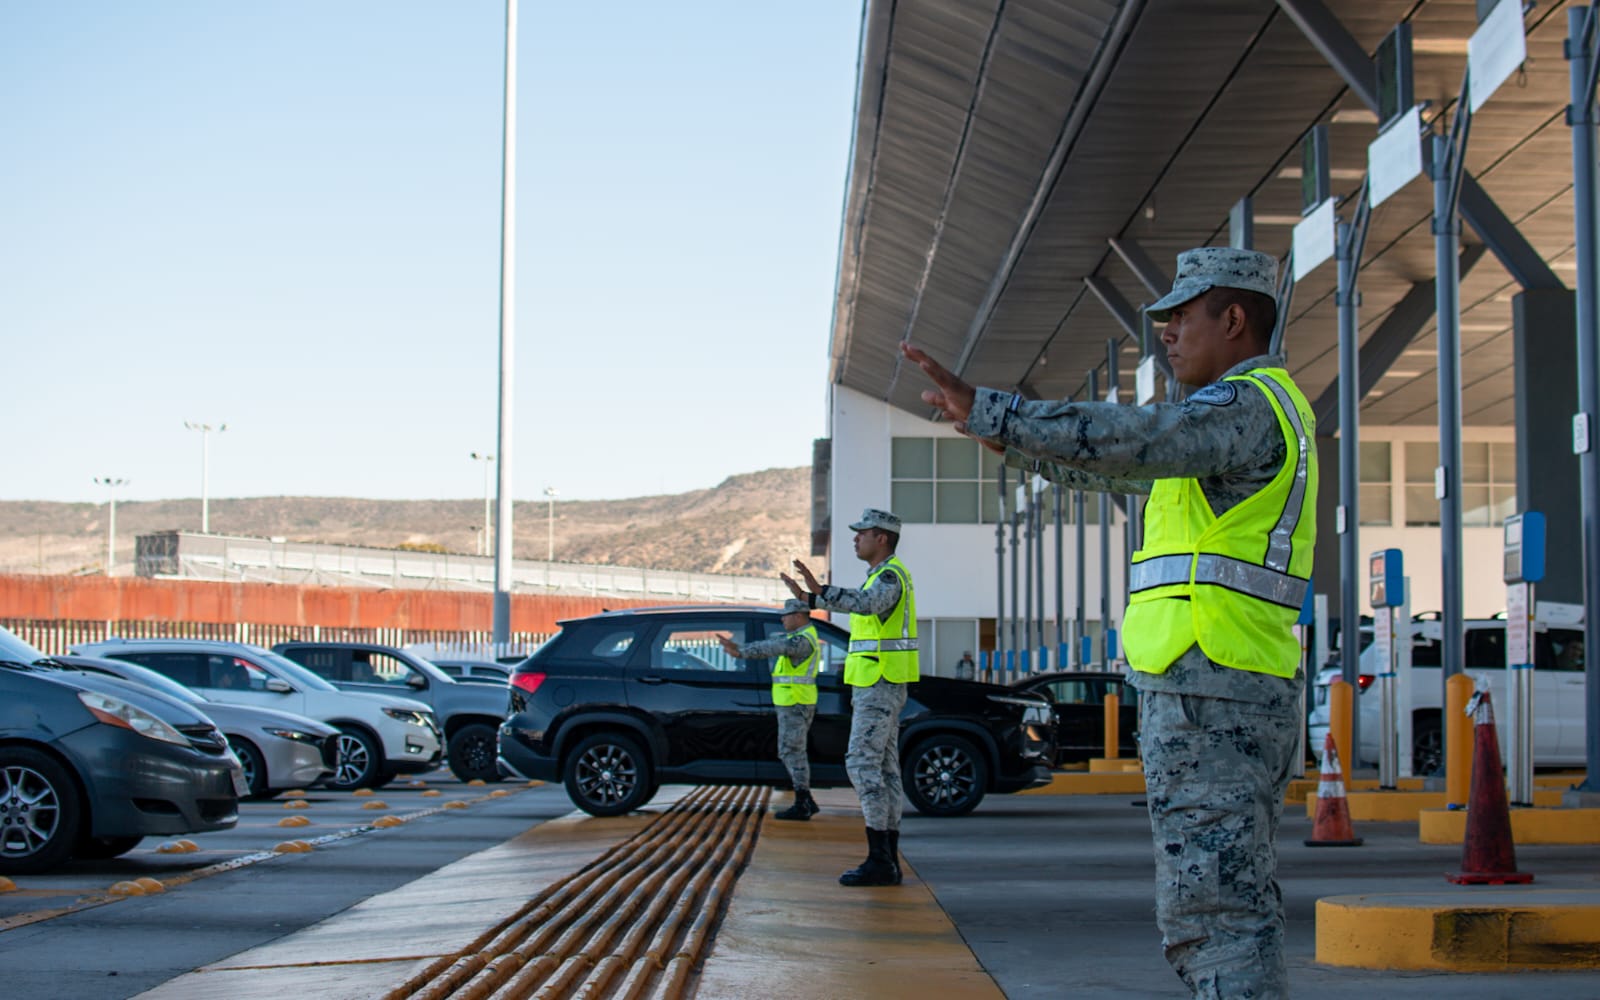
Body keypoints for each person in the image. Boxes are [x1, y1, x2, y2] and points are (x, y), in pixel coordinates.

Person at [903, 246, 1316, 998]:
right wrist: (1012, 441)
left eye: (1181, 316)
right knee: (1225, 905)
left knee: (1217, 915)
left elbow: (1142, 440)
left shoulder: (1246, 405)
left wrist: (1004, 411)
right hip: (1217, 683)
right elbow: (1123, 464)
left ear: (1232, 319)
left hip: (1214, 686)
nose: (1165, 332)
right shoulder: (1245, 417)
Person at [783, 508, 917, 887]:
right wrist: (811, 595)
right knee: (886, 769)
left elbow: (865, 603)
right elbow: (863, 607)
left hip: (880, 682)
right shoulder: (881, 576)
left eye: (863, 533)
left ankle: (881, 860)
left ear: (883, 539)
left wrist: (821, 592)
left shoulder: (889, 576)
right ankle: (887, 860)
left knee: (862, 764)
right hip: (877, 682)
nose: (855, 538)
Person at [717, 598, 823, 821]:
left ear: (799, 615)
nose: (782, 618)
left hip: (796, 702)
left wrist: (741, 651)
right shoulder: (799, 637)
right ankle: (805, 800)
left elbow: (775, 647)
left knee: (792, 752)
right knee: (791, 751)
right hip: (792, 702)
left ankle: (803, 802)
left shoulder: (802, 641)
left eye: (786, 615)